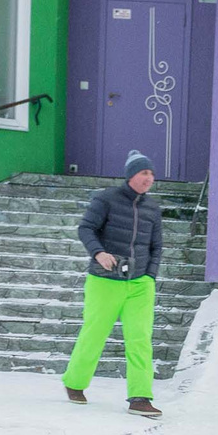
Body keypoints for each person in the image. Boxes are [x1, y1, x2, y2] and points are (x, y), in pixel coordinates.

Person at [62, 150, 166, 418]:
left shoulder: (152, 209)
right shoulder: (106, 198)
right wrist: (99, 253)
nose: (149, 178)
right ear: (131, 175)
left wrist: (149, 276)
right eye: (144, 172)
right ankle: (75, 383)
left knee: (140, 340)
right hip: (105, 280)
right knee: (94, 334)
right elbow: (86, 228)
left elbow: (157, 247)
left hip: (140, 284)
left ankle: (140, 397)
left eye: (152, 173)